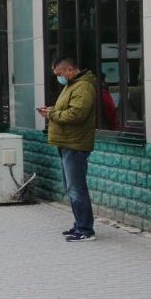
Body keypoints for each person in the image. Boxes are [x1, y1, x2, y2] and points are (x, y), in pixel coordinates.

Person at [37, 57, 97, 242]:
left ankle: (85, 229)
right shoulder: (71, 85)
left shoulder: (83, 87)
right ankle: (79, 224)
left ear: (69, 70)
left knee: (76, 188)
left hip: (75, 144)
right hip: (67, 143)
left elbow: (77, 114)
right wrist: (52, 110)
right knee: (71, 187)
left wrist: (51, 113)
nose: (58, 78)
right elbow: (66, 109)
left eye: (59, 74)